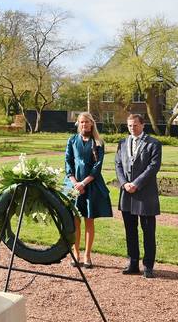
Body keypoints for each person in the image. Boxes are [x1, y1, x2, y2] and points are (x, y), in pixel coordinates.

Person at [115, 113, 162, 278]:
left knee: (148, 232)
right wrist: (124, 183)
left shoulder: (154, 143)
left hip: (145, 195)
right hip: (126, 193)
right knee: (130, 230)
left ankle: (148, 266)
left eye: (135, 125)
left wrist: (136, 184)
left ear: (142, 125)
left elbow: (153, 167)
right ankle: (133, 262)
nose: (132, 128)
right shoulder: (122, 143)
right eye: (129, 125)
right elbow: (118, 164)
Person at [65, 112, 112, 268]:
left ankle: (87, 255)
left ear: (92, 123)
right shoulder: (72, 140)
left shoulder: (98, 143)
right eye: (81, 122)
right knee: (75, 221)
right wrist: (74, 183)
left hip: (91, 185)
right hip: (73, 185)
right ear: (78, 124)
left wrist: (83, 184)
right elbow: (68, 162)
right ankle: (76, 252)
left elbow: (97, 167)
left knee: (89, 221)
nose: (84, 125)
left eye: (86, 122)